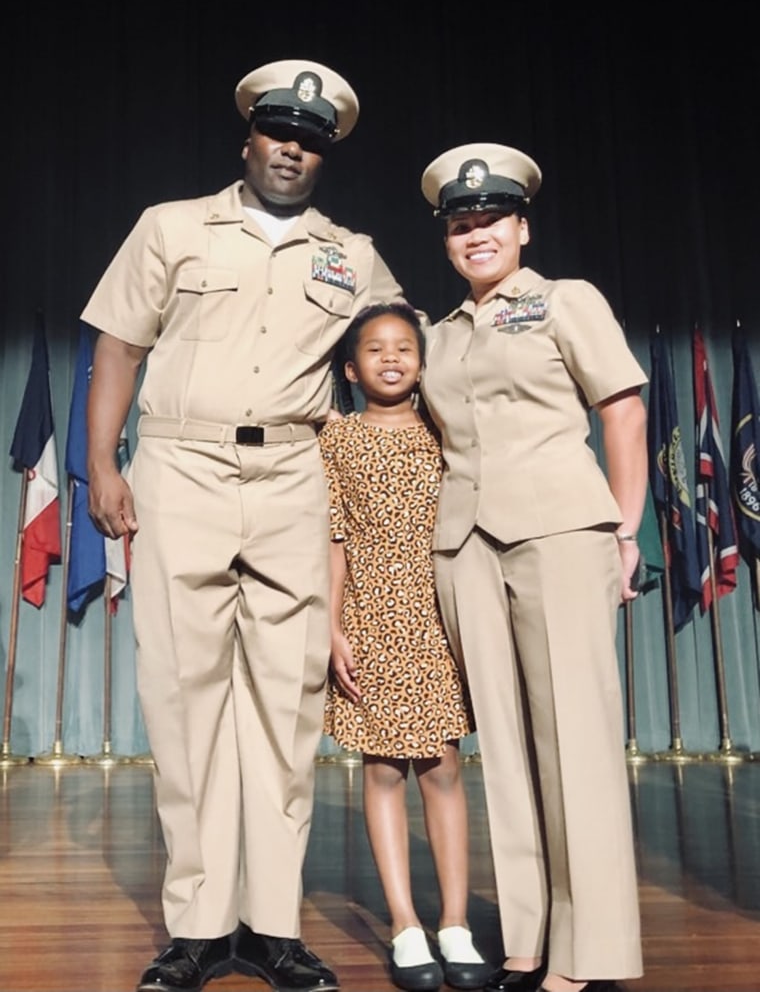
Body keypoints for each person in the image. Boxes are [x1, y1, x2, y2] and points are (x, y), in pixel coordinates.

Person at [81, 59, 407, 992]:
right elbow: (119, 344)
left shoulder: (354, 253)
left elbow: (395, 356)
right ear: (249, 137)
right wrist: (103, 464)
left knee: (286, 703)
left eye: (309, 140)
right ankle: (195, 927)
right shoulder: (172, 226)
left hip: (296, 475)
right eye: (278, 132)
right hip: (182, 463)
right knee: (183, 700)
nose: (291, 150)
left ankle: (271, 924)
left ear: (324, 154)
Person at [417, 143, 648, 992]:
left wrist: (624, 531)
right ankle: (528, 937)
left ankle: (592, 953)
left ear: (521, 226)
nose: (475, 235)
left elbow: (621, 412)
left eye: (489, 221)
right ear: (448, 241)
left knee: (574, 744)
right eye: (461, 225)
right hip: (465, 544)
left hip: (558, 532)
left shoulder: (565, 301)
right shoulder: (438, 337)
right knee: (506, 751)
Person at [319, 303, 492, 992]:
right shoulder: (336, 440)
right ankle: (404, 922)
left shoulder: (445, 431)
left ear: (423, 361)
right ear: (350, 367)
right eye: (375, 349)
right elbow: (331, 541)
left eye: (404, 347)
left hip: (439, 615)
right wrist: (331, 627)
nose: (390, 358)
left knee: (443, 768)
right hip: (371, 619)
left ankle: (455, 922)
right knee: (385, 768)